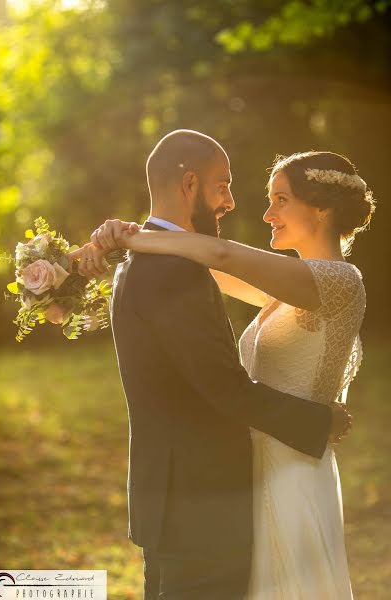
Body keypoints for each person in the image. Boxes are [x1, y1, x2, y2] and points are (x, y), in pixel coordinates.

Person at [69, 131, 355, 600]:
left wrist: (128, 239)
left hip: (179, 496)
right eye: (222, 185)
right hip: (201, 503)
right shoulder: (171, 271)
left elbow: (220, 262)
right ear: (189, 185)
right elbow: (226, 389)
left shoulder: (146, 263)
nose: (231, 202)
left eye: (279, 200)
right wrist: (321, 420)